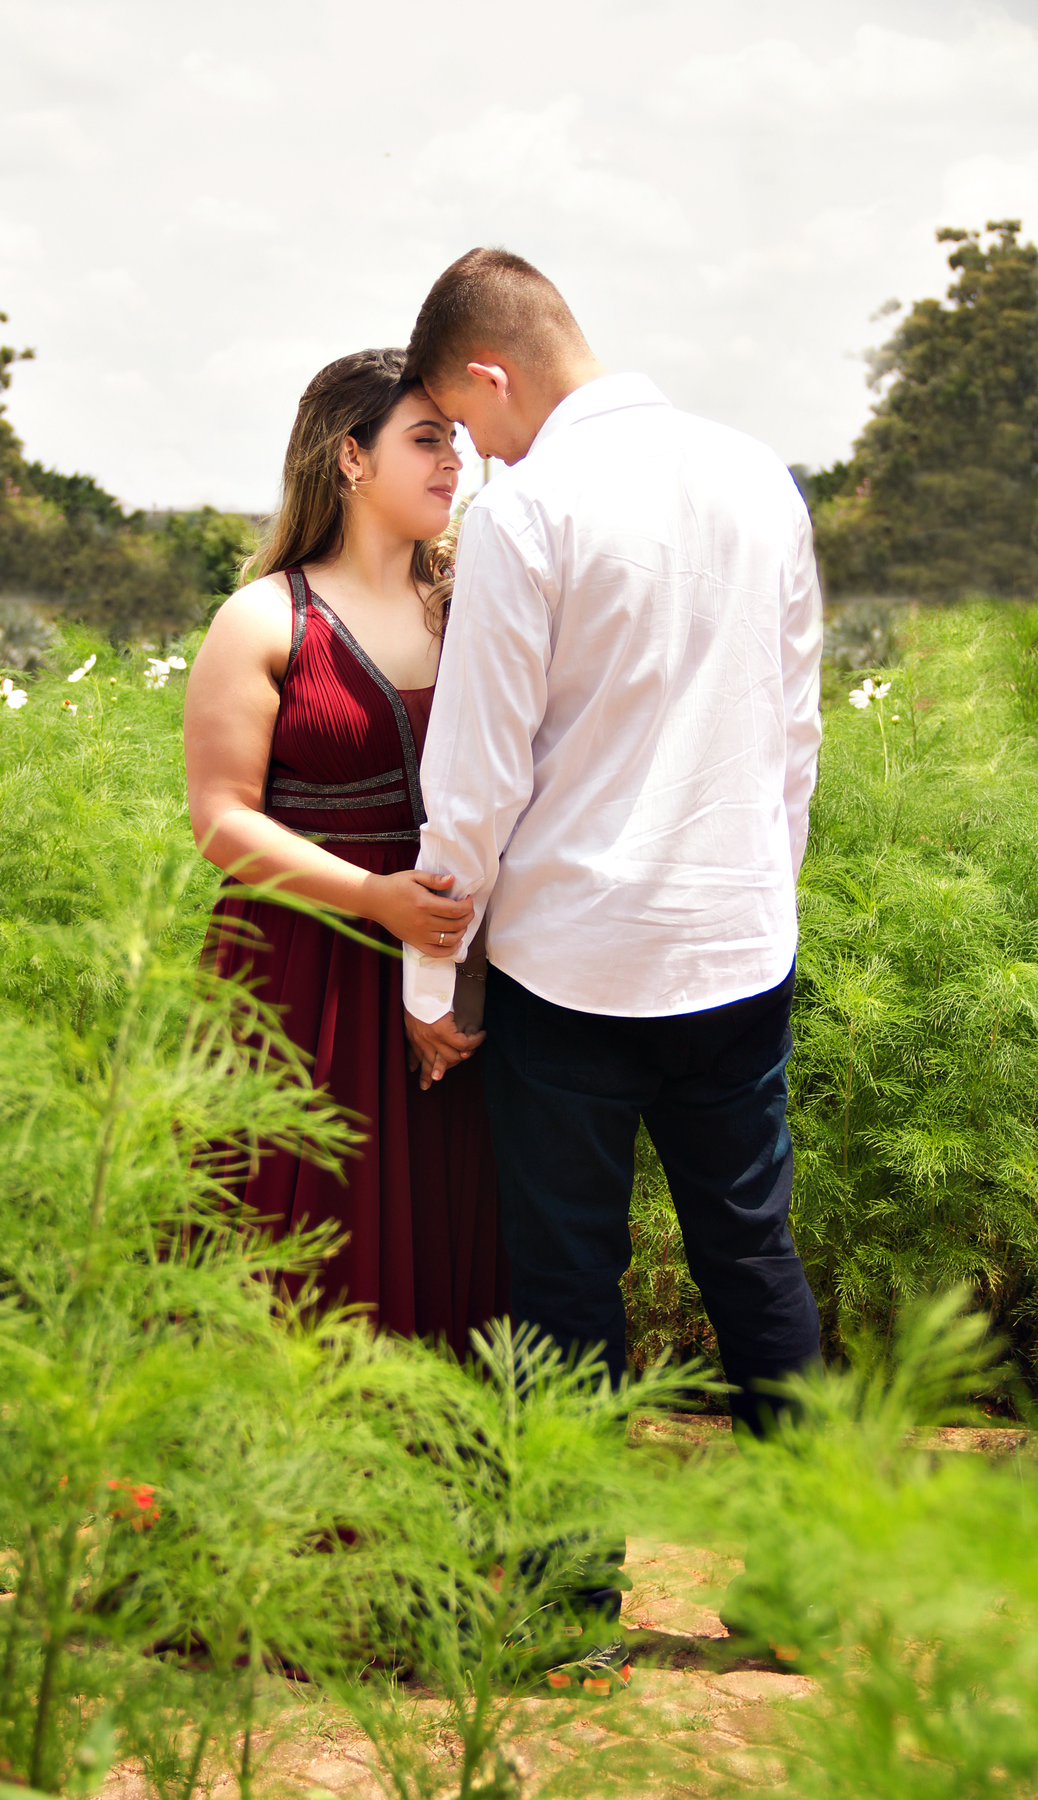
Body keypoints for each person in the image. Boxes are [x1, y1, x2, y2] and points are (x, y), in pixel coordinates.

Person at [399, 249, 823, 1433]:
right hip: (737, 956)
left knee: (566, 1286)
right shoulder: (757, 477)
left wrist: (434, 973)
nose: (474, 453)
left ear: (492, 374)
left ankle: (569, 1603)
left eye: (463, 424)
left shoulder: (525, 511)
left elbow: (474, 779)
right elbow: (795, 733)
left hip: (569, 969)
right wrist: (753, 902)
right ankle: (821, 1586)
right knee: (752, 1260)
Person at [184, 347, 506, 1358]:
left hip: (455, 967)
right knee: (306, 1242)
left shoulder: (477, 608)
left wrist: (457, 965)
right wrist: (378, 901)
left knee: (460, 1233)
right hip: (298, 977)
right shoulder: (263, 618)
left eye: (455, 439)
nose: (453, 461)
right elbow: (222, 821)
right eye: (425, 439)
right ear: (350, 459)